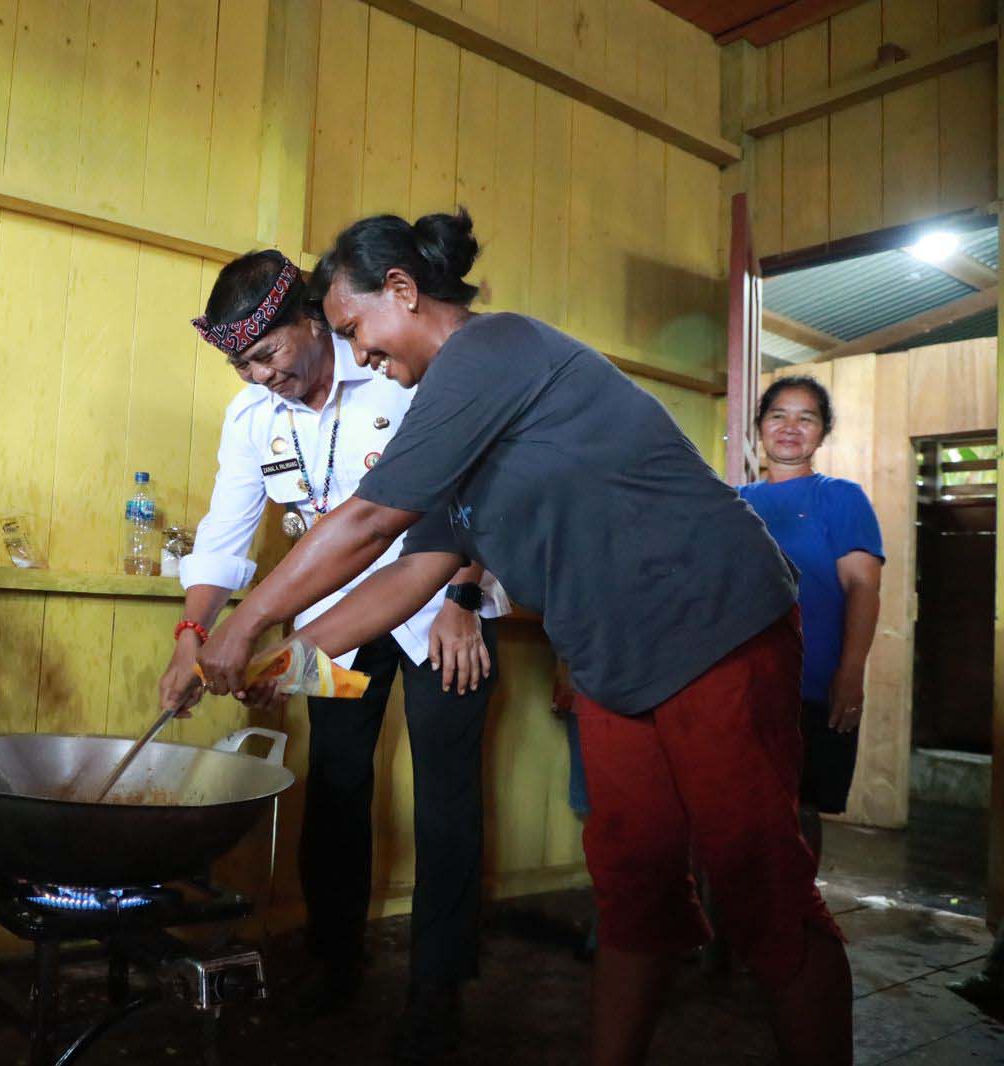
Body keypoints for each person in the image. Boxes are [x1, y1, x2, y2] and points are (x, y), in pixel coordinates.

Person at [195, 209, 852, 1066]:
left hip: (712, 625)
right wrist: (287, 662)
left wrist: (243, 625)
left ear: (402, 289)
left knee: (759, 884)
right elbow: (408, 573)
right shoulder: (445, 411)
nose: (358, 354)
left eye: (356, 328)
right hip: (617, 661)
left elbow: (364, 526)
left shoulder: (492, 350)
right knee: (634, 882)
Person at [159, 251, 509, 1063]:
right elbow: (223, 534)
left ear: (313, 319)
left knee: (446, 794)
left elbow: (478, 484)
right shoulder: (253, 417)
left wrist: (464, 596)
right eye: (242, 364)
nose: (259, 375)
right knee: (339, 782)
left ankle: (438, 990)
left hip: (439, 606)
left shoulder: (395, 369)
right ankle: (337, 963)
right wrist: (193, 635)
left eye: (268, 353)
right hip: (333, 621)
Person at [739, 376, 883, 868]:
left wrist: (851, 672)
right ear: (760, 426)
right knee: (731, 806)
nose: (790, 428)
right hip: (736, 684)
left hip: (812, 681)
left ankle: (799, 925)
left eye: (807, 418)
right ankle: (730, 936)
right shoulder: (731, 501)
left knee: (798, 811)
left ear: (823, 433)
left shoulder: (840, 498)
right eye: (778, 415)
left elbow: (862, 586)